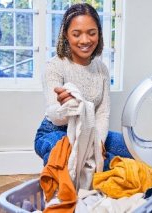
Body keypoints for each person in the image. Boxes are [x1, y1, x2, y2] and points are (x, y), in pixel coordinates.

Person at [34, 3, 132, 171]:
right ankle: (83, 181)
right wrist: (68, 107)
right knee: (65, 154)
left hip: (90, 131)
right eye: (76, 34)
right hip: (55, 131)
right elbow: (55, 116)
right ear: (66, 35)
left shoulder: (101, 69)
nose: (85, 40)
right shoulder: (55, 66)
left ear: (99, 34)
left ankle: (104, 169)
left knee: (132, 149)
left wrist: (98, 146)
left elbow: (102, 114)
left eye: (92, 33)